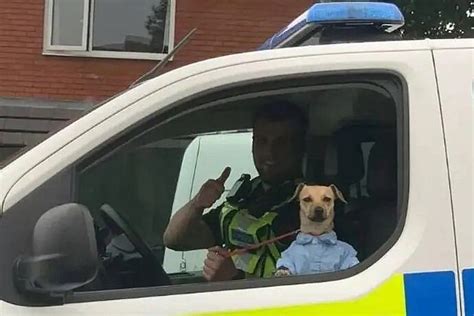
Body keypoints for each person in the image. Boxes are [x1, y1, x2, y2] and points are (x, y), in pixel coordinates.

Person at [163, 102, 308, 281]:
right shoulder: (247, 196)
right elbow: (174, 240)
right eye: (262, 141)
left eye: (281, 143)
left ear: (299, 147)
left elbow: (312, 286)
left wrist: (235, 277)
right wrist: (197, 204)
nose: (270, 153)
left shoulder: (315, 206)